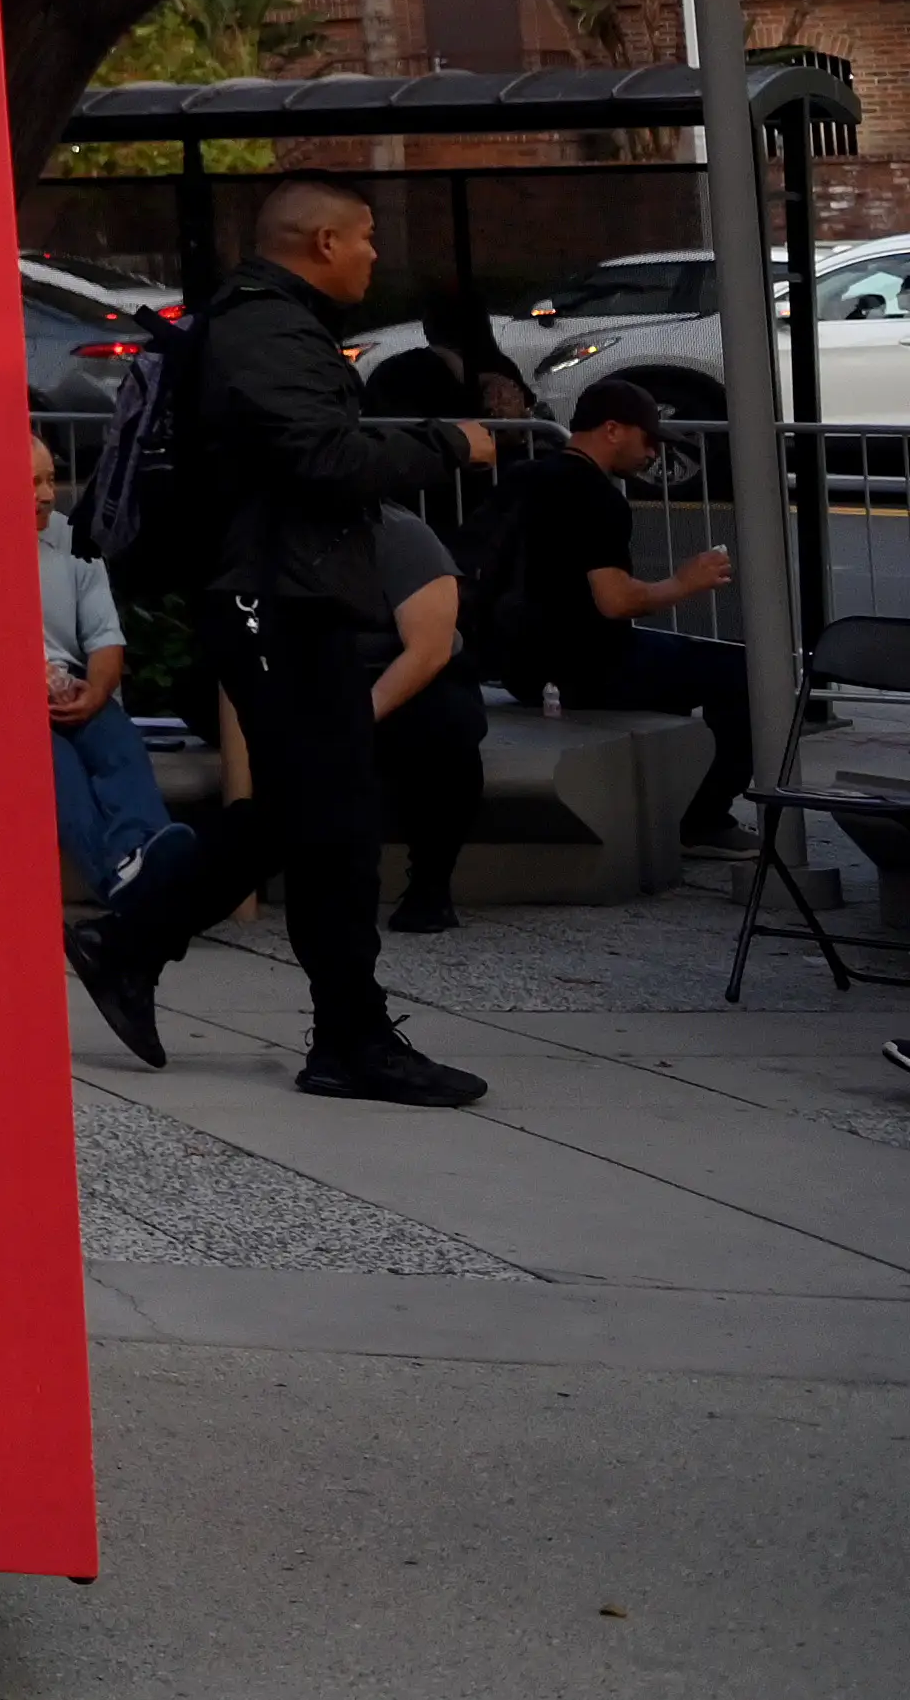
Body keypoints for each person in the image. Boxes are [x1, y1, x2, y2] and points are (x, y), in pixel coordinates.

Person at [69, 174, 495, 1105]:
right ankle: (348, 1039)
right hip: (269, 600)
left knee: (317, 806)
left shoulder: (270, 322)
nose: (377, 255)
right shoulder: (264, 327)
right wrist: (450, 446)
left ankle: (135, 941)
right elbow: (324, 459)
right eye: (369, 237)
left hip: (286, 595)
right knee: (332, 818)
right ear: (323, 243)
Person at [484, 395, 755, 854]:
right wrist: (685, 582)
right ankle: (706, 818)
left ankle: (672, 799)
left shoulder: (521, 477)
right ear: (613, 429)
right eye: (648, 439)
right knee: (745, 674)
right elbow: (615, 602)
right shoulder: (597, 496)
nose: (653, 454)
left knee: (679, 661)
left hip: (519, 663)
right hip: (588, 666)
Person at [41, 434, 189, 913]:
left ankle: (146, 850)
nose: (48, 494)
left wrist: (96, 690)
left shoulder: (72, 538)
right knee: (59, 768)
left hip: (70, 684)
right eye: (31, 483)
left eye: (50, 479)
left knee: (114, 738)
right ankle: (116, 879)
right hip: (3, 702)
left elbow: (106, 637)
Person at [375, 507, 488, 935]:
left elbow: (428, 652)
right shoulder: (267, 531)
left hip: (406, 673)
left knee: (449, 727)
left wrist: (354, 717)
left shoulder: (401, 534)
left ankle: (430, 885)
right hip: (309, 675)